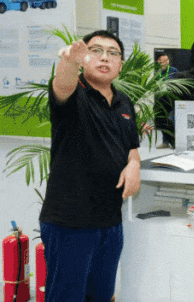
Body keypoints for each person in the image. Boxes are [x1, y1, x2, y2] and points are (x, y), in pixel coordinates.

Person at [40, 30, 141, 302]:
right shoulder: (74, 93)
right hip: (70, 222)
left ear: (120, 65)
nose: (105, 58)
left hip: (110, 222)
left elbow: (131, 148)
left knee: (102, 296)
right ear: (85, 58)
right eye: (96, 51)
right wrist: (70, 61)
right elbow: (62, 84)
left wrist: (134, 164)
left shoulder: (124, 102)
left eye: (113, 53)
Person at [155, 53, 178, 149]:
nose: (165, 62)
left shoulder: (173, 70)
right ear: (158, 62)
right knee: (161, 121)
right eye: (163, 61)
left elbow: (173, 84)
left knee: (170, 121)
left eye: (167, 60)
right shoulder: (157, 72)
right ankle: (165, 142)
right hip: (160, 100)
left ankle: (174, 142)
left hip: (171, 100)